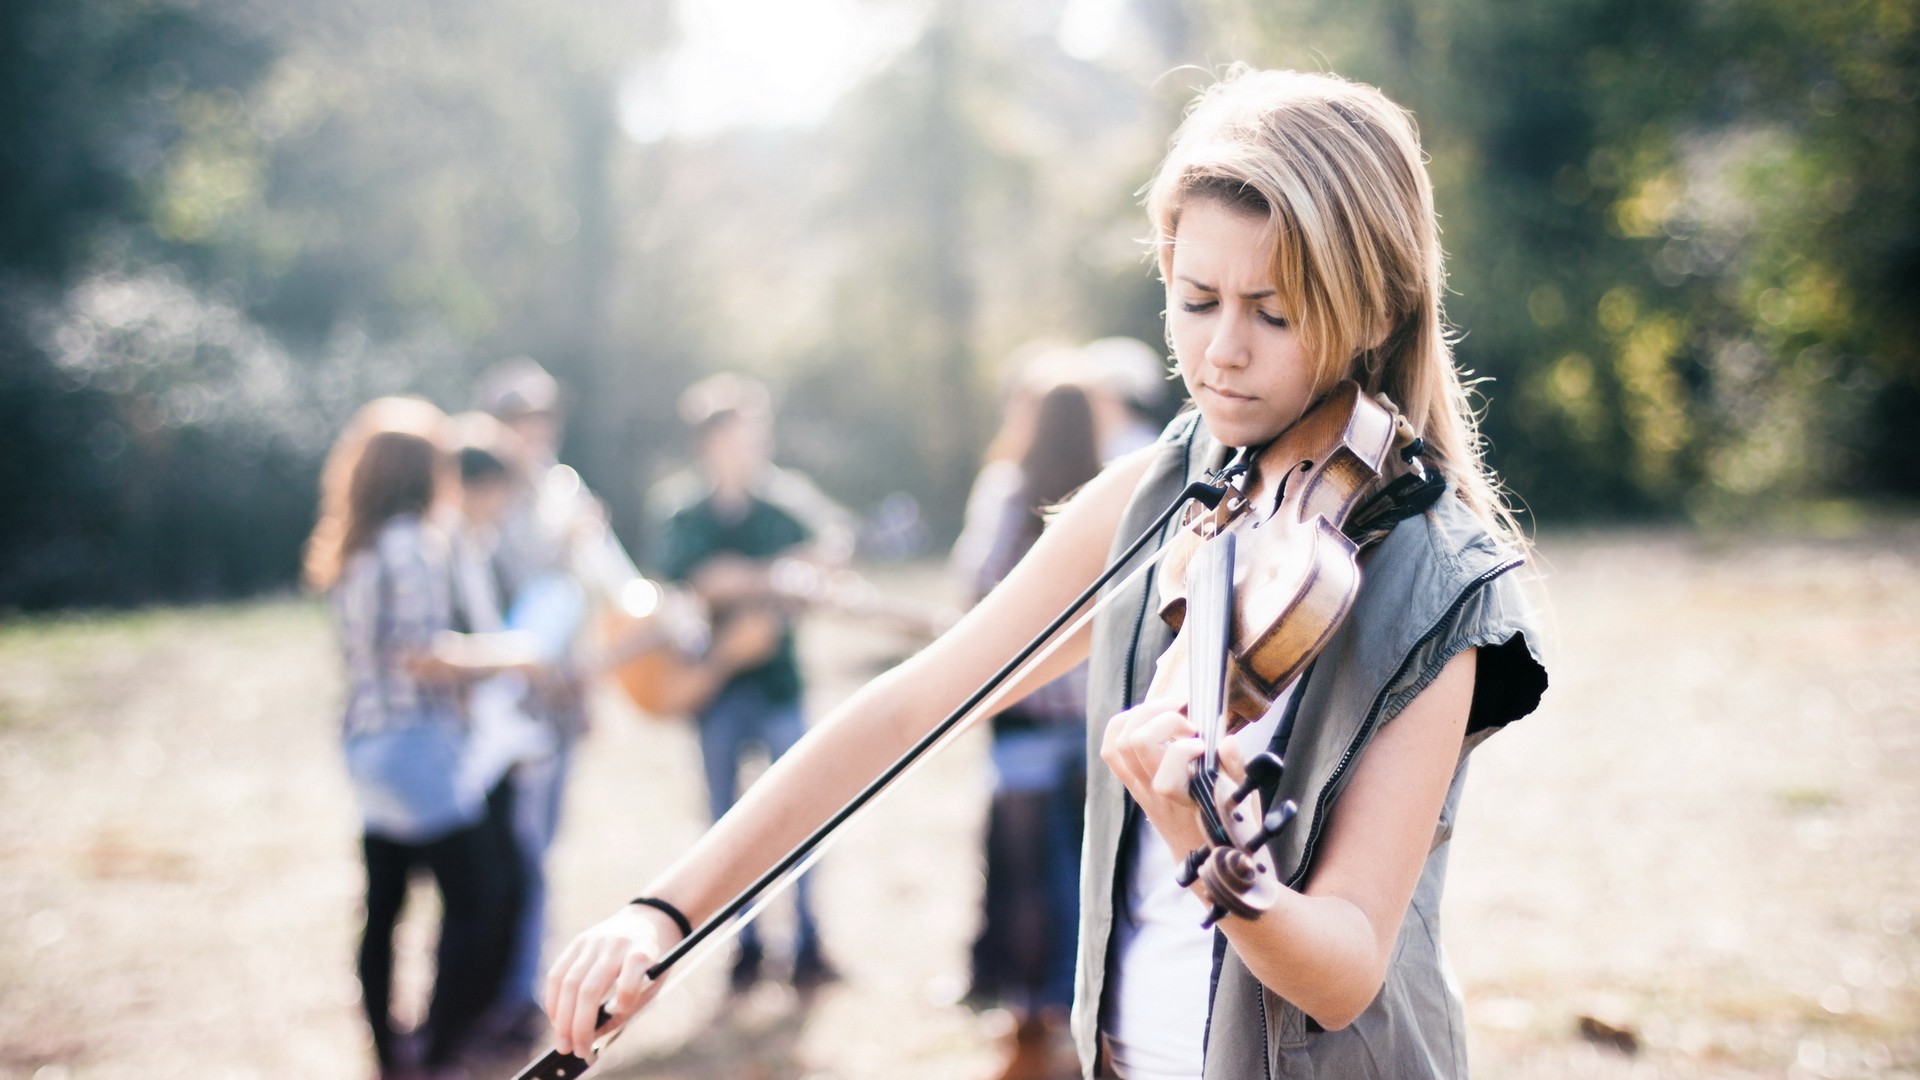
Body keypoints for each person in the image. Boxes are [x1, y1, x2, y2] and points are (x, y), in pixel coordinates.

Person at [543, 67, 1548, 1080]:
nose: (1222, 354)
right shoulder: (1156, 497)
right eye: (1196, 301)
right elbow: (910, 708)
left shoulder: (1431, 579)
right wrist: (663, 911)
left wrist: (1209, 851)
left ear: (1374, 310)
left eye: (1273, 314)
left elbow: (1344, 969)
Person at [304, 398, 546, 1078]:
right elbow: (422, 653)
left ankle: (388, 1050)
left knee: (384, 904)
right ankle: (441, 1049)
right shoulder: (412, 542)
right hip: (418, 747)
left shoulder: (352, 540)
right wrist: (512, 655)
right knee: (480, 895)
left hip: (364, 744)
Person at [650, 372, 855, 994]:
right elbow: (698, 580)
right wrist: (770, 576)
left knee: (803, 817)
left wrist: (768, 576)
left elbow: (833, 547)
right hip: (714, 691)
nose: (750, 446)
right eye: (738, 435)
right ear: (710, 441)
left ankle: (809, 943)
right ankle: (743, 945)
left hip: (778, 685)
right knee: (724, 828)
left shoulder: (785, 502)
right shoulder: (683, 511)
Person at [474, 359, 634, 1043]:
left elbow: (597, 593)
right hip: (497, 705)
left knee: (536, 854)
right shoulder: (485, 494)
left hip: (558, 704)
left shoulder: (564, 489)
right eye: (520, 418)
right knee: (497, 857)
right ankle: (490, 989)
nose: (534, 432)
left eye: (542, 417)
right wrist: (557, 548)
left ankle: (520, 991)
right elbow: (508, 597)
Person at [950, 380, 1105, 1079]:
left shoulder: (1010, 495)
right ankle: (1083, 1024)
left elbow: (975, 585)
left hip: (1024, 725)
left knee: (1023, 884)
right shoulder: (1110, 493)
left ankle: (1029, 1022)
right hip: (1094, 725)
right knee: (1086, 883)